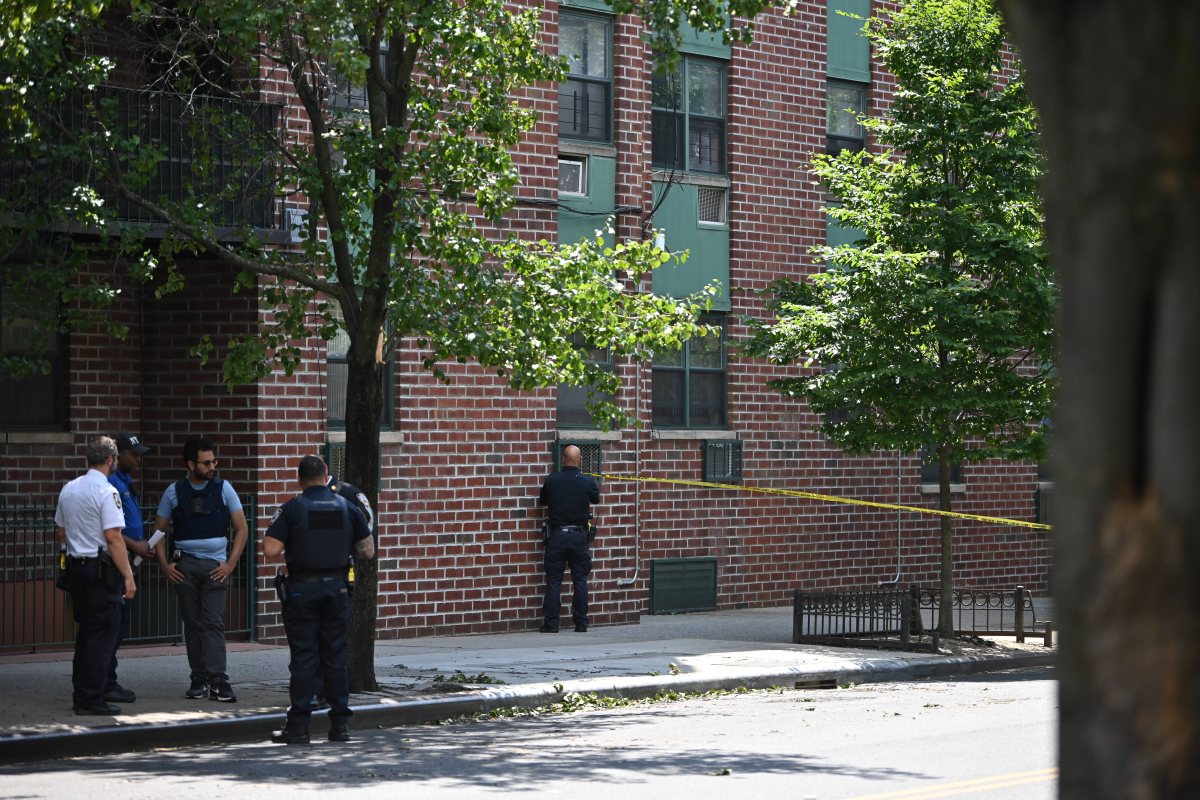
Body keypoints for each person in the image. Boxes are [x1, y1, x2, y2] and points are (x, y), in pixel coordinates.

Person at [264, 455, 373, 744]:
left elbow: (271, 549)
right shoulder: (348, 508)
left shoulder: (291, 509)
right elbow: (367, 551)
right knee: (335, 657)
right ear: (326, 475)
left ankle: (298, 727)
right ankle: (341, 725)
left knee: (304, 657)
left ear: (299, 479)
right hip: (337, 589)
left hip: (302, 590)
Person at [152, 437, 249, 702]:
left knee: (213, 623)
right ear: (190, 464)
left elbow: (242, 528)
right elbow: (158, 532)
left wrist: (230, 564)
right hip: (185, 565)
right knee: (193, 624)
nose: (212, 466)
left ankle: (219, 680)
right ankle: (199, 677)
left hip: (216, 566)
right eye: (206, 463)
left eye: (214, 461)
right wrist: (165, 565)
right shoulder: (173, 491)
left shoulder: (223, 488)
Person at [54, 436, 137, 715]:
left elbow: (61, 532)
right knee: (102, 635)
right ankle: (91, 699)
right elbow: (114, 537)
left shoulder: (69, 488)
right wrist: (128, 575)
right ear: (111, 460)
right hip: (101, 571)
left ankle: (82, 693)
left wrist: (67, 557)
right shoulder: (107, 491)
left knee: (86, 635)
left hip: (77, 569)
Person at [103, 432, 154, 705]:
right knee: (112, 625)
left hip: (129, 558)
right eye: (133, 454)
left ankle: (107, 679)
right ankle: (105, 682)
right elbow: (109, 530)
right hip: (115, 562)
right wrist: (135, 545)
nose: (138, 459)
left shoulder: (125, 482)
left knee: (119, 625)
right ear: (117, 455)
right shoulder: (110, 483)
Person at [539, 444, 599, 633]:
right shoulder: (587, 482)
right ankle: (581, 623)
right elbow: (596, 499)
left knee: (554, 581)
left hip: (557, 536)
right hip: (579, 537)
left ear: (563, 458)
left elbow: (543, 500)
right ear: (578, 459)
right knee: (580, 580)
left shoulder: (551, 480)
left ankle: (551, 623)